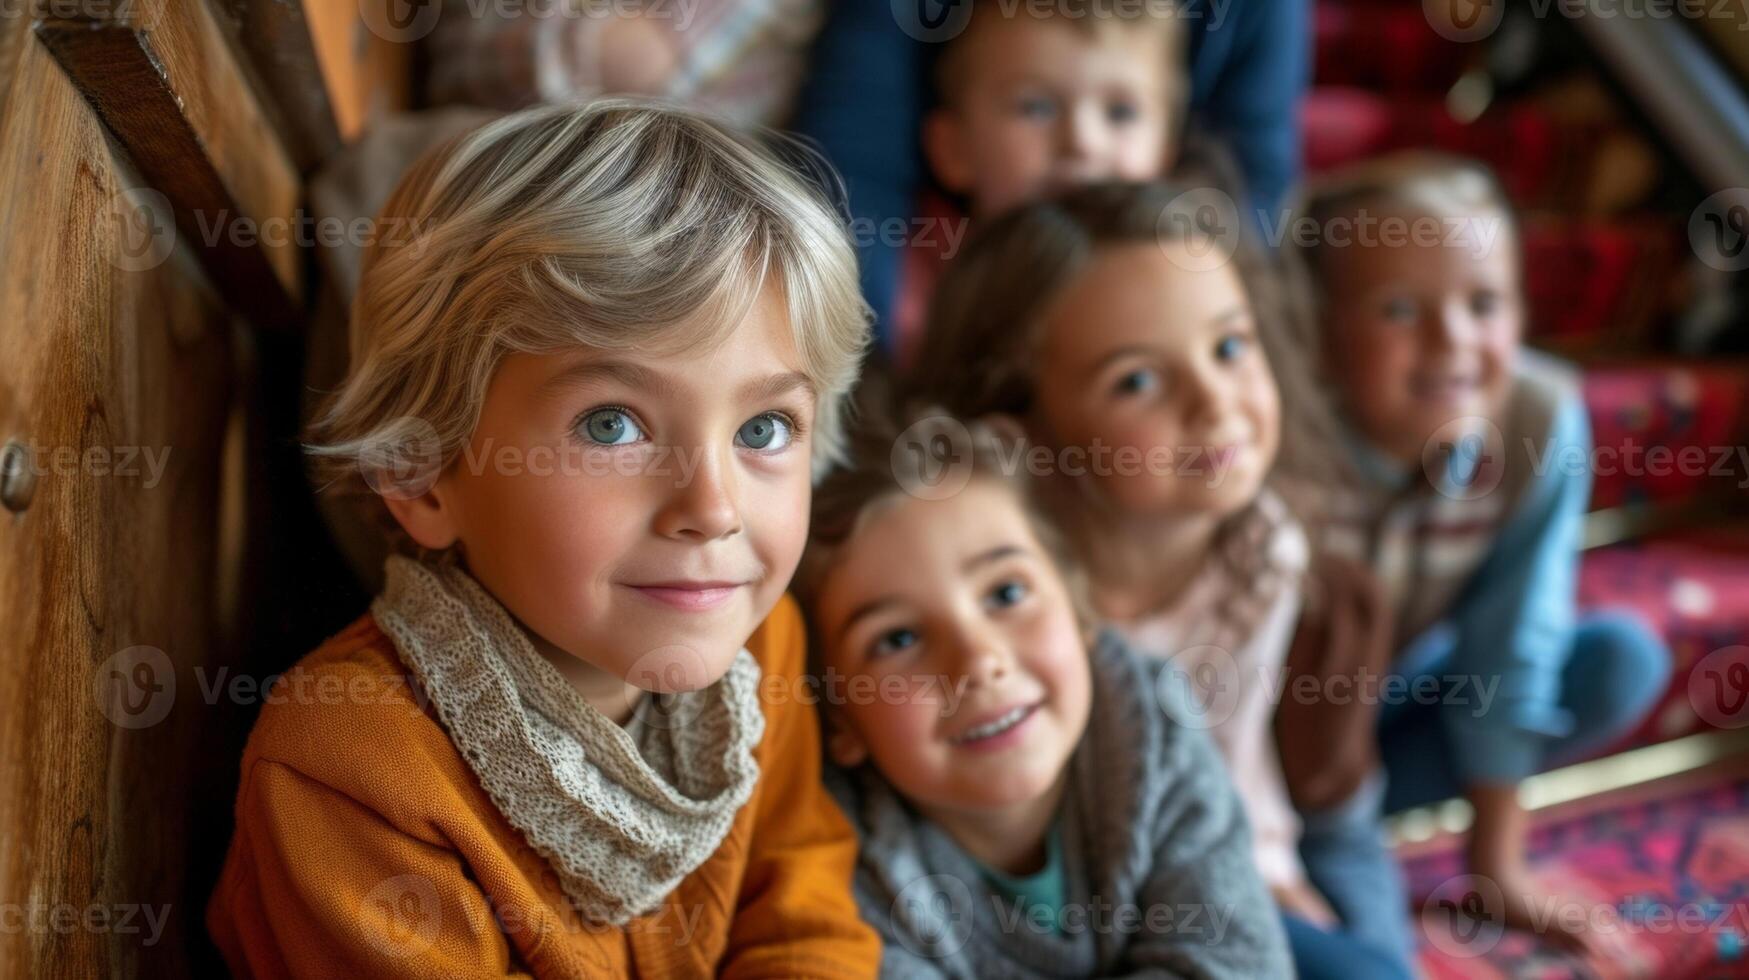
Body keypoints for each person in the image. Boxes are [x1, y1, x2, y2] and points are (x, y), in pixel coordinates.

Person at [205, 99, 880, 977]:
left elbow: (800, 914)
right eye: (611, 425)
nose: (712, 508)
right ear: (419, 474)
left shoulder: (761, 644)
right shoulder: (350, 767)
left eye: (762, 430)